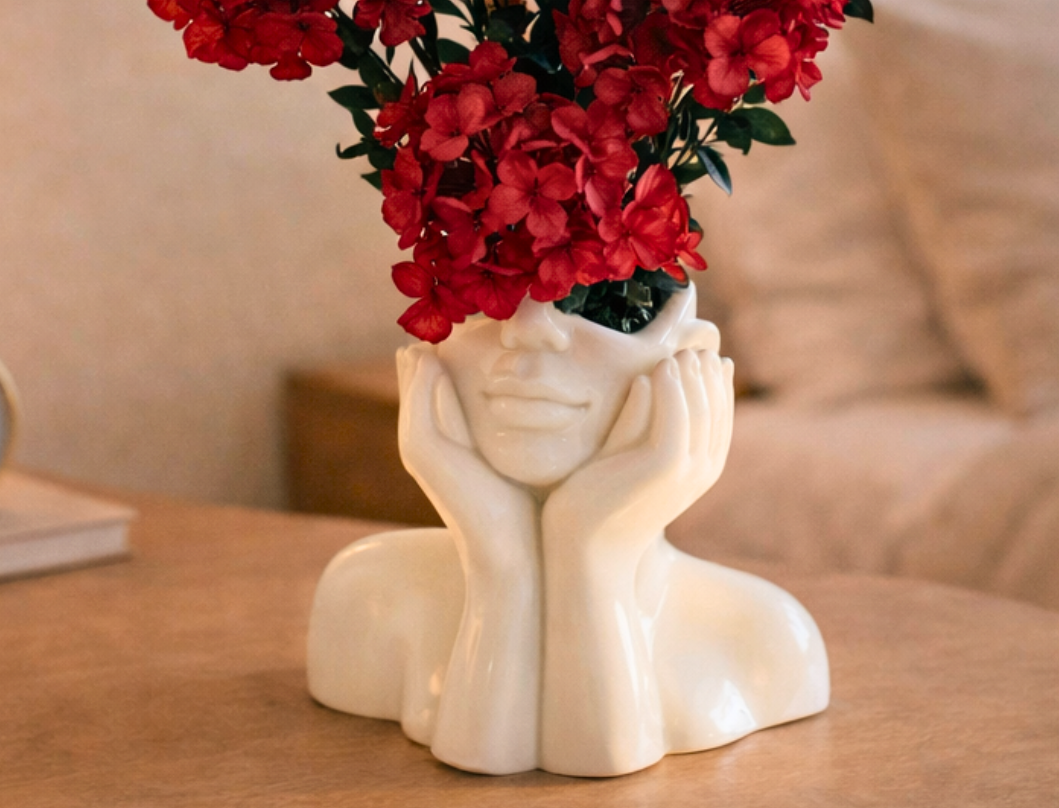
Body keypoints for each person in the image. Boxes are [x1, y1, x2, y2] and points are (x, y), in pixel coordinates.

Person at [307, 286, 829, 777]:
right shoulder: (363, 596)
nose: (527, 329)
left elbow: (604, 764)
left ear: (693, 362)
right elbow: (489, 767)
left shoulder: (771, 638)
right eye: (490, 290)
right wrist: (500, 561)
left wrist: (592, 553)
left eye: (594, 299)